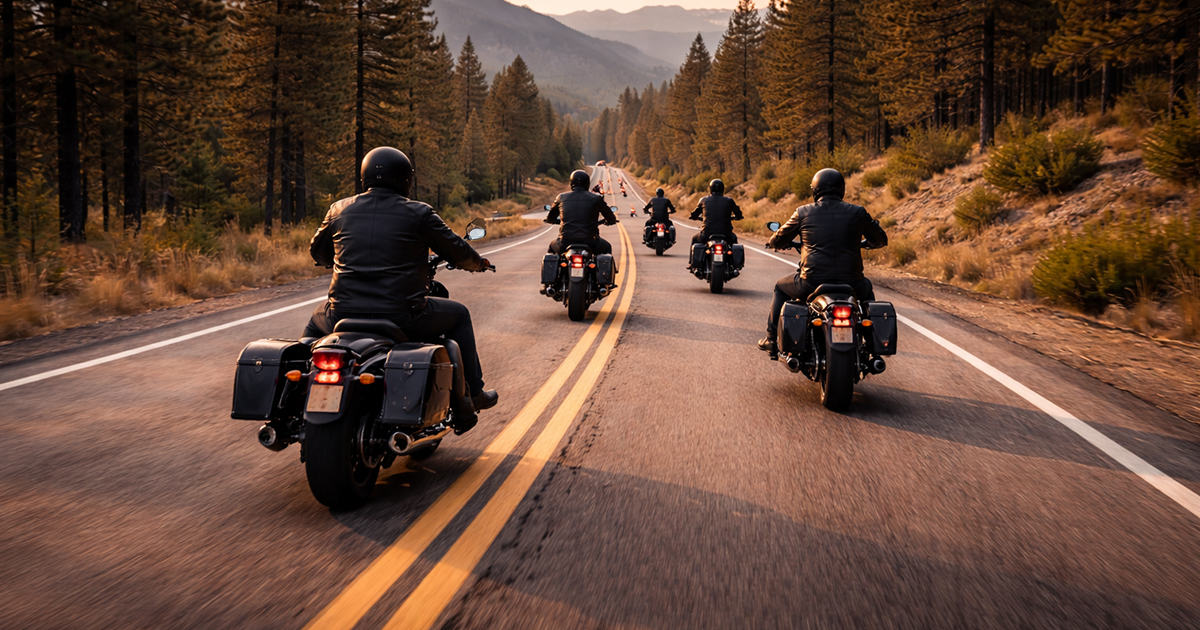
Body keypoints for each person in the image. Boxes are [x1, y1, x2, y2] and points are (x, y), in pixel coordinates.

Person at [304, 146, 497, 430]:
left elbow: (318, 253)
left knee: (311, 328)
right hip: (403, 317)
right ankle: (472, 395)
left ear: (364, 176)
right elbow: (457, 250)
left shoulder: (338, 209)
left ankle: (298, 383)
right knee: (460, 315)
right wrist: (478, 263)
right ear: (406, 179)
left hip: (340, 314)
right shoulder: (418, 212)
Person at [758, 168, 888, 358]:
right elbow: (881, 239)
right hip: (852, 283)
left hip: (811, 282)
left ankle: (770, 339)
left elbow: (779, 238)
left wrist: (774, 242)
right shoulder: (858, 212)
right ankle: (871, 342)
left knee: (780, 287)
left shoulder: (803, 212)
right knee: (867, 290)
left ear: (815, 190)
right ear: (841, 189)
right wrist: (868, 243)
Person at [546, 169, 619, 256]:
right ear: (587, 183)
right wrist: (610, 221)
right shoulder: (596, 198)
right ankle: (601, 269)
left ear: (571, 183)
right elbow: (610, 217)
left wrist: (552, 220)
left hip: (565, 242)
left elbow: (550, 218)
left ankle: (557, 269)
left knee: (551, 249)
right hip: (591, 242)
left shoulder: (561, 197)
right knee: (607, 247)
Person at [689, 179, 743, 246]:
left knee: (695, 239)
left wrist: (693, 216)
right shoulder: (729, 201)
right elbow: (738, 213)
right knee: (734, 240)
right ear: (722, 189)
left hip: (707, 234)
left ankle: (697, 256)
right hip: (726, 234)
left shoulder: (704, 200)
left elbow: (695, 213)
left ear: (711, 189)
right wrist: (738, 217)